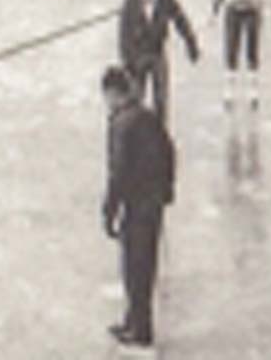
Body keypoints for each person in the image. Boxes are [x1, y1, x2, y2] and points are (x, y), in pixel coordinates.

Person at [101, 65, 176, 348]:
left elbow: (118, 172)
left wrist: (109, 210)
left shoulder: (122, 124)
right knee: (143, 264)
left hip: (137, 204)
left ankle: (141, 331)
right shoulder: (147, 116)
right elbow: (169, 151)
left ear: (113, 93)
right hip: (153, 202)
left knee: (135, 267)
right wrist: (167, 190)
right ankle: (134, 322)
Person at [119, 0, 199, 124]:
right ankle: (138, 133)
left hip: (157, 53)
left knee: (161, 99)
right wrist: (126, 60)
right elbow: (123, 32)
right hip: (137, 55)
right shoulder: (131, 1)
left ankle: (160, 134)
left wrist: (191, 44)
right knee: (136, 98)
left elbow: (180, 20)